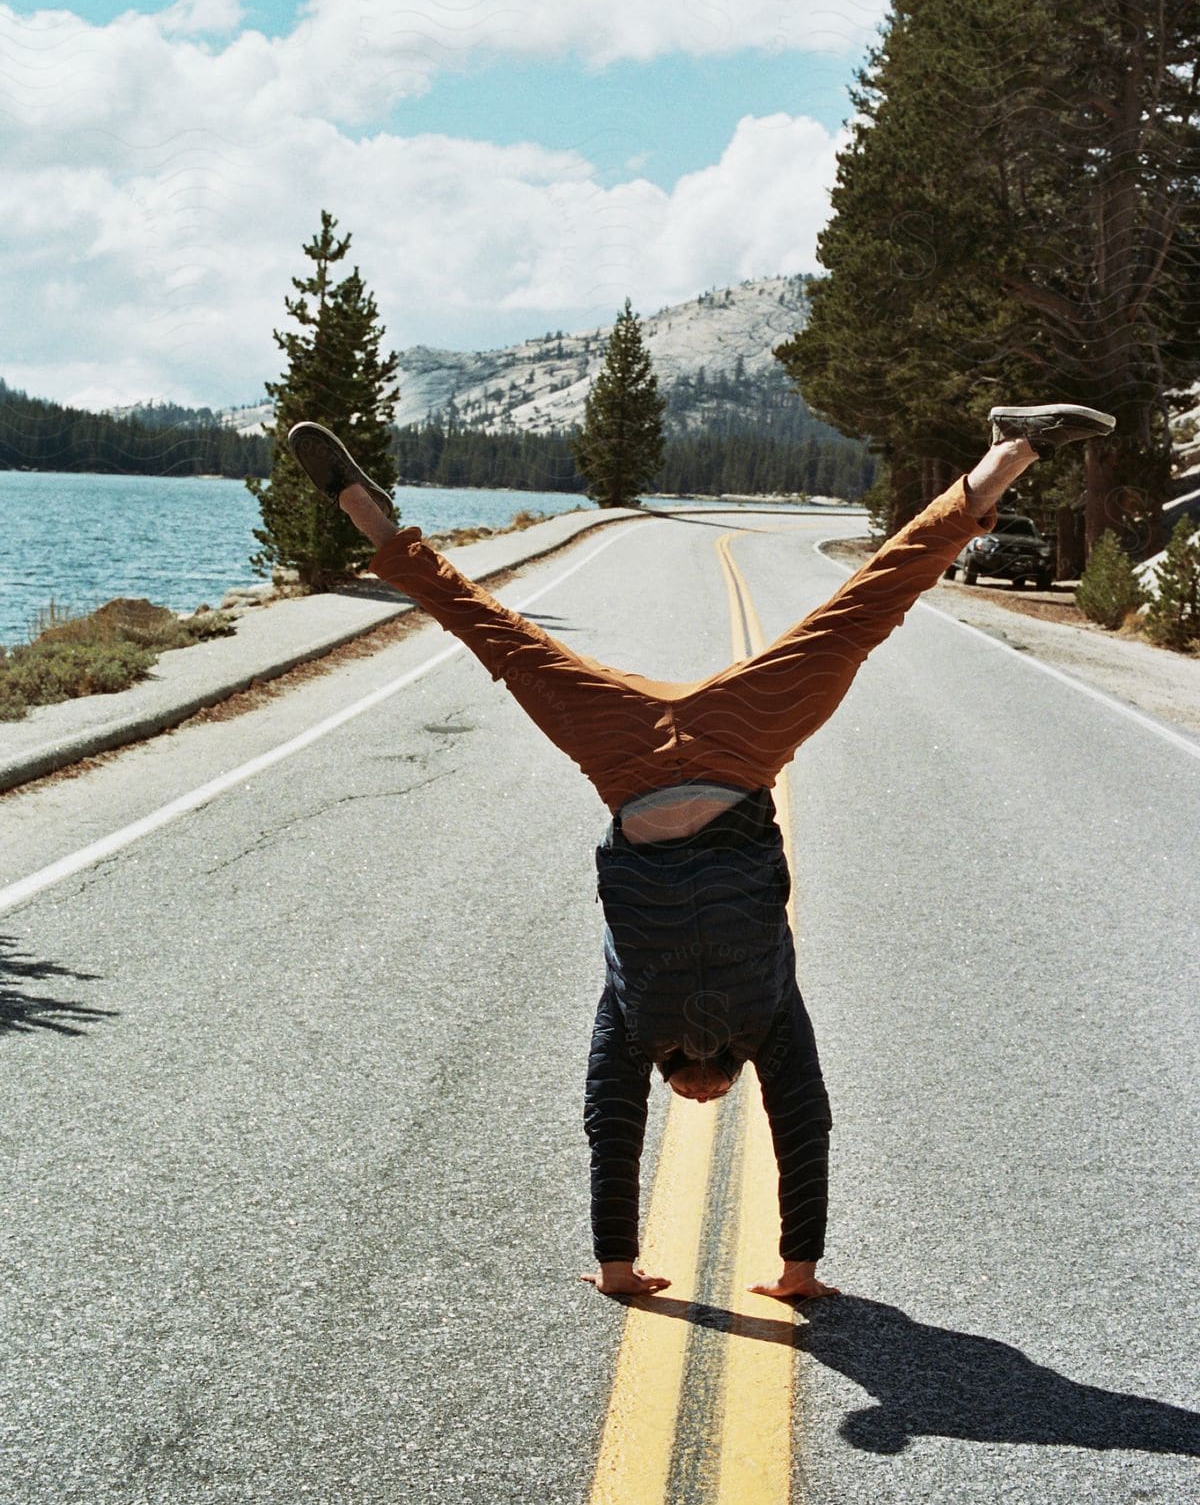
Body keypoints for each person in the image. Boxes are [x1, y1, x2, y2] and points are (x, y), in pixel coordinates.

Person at [286, 402, 1116, 1300]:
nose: (702, 1105)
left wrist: (639, 1266)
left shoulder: (667, 1022)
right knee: (843, 611)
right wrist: (778, 1271)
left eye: (689, 1103)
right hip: (711, 750)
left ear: (681, 1083)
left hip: (653, 756)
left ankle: (1004, 457)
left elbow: (647, 1123)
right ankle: (1004, 456)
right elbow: (784, 1120)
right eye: (711, 1102)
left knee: (860, 608)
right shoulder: (724, 1020)